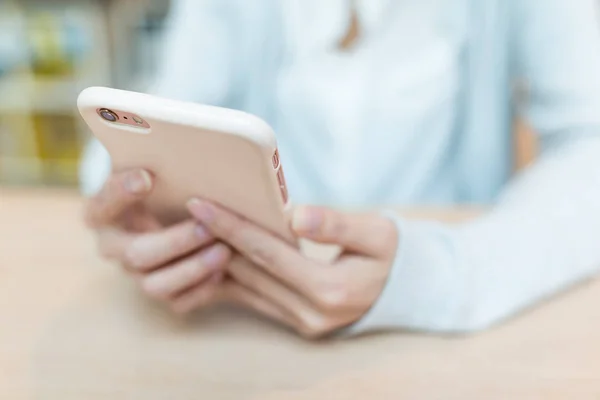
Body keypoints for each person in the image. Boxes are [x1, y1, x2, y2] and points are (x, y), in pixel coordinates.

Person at [80, 0, 600, 338]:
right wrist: (132, 202)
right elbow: (164, 107)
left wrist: (442, 276)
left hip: (448, 337)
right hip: (243, 321)